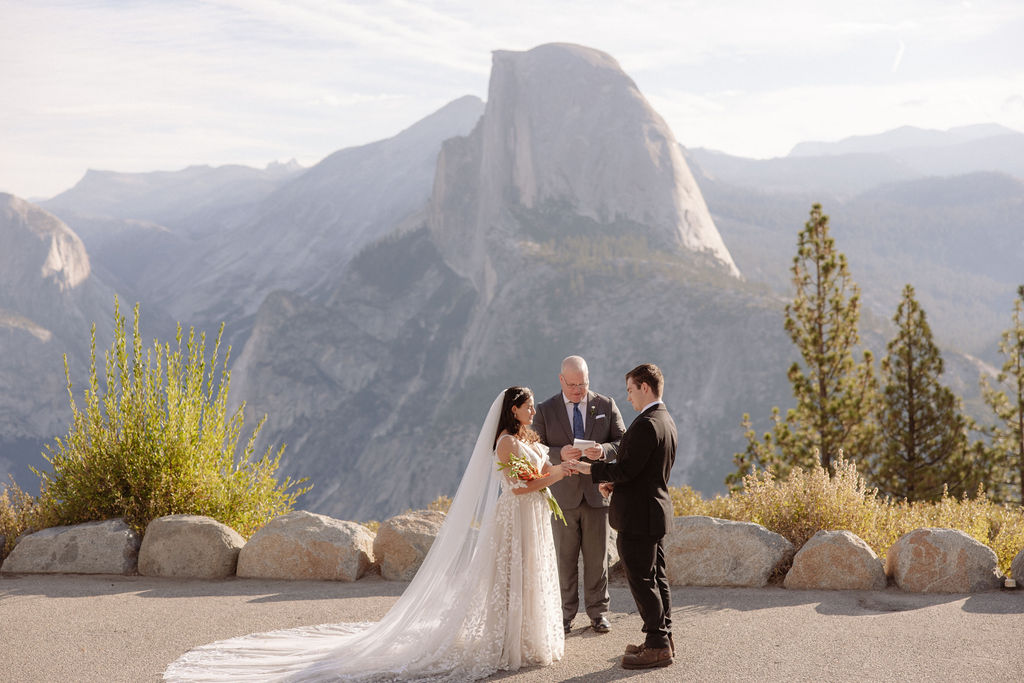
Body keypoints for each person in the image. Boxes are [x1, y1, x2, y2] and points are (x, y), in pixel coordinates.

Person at [164, 387, 566, 682]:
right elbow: (518, 487)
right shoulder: (506, 442)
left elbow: (536, 475)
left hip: (531, 517)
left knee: (526, 577)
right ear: (513, 409)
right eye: (529, 405)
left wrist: (561, 465)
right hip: (515, 515)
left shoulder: (527, 439)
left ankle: (525, 637)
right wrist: (557, 475)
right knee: (509, 577)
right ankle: (506, 641)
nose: (534, 410)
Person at [566, 363, 677, 671]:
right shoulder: (666, 420)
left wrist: (590, 470)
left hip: (638, 517)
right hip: (654, 511)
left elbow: (627, 468)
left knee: (642, 580)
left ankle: (656, 645)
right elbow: (645, 471)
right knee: (657, 578)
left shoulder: (645, 424)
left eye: (630, 390)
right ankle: (664, 637)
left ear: (645, 387)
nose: (628, 397)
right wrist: (614, 482)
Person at [533, 355, 625, 636]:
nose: (577, 390)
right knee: (564, 559)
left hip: (597, 495)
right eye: (572, 384)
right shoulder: (545, 410)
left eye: (582, 384)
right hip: (562, 496)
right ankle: (564, 614)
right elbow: (533, 448)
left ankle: (598, 613)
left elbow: (623, 441)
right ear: (561, 380)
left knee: (598, 560)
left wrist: (604, 451)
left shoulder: (606, 405)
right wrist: (558, 452)